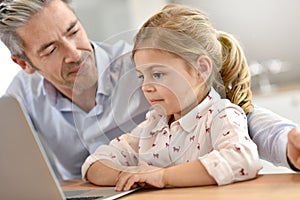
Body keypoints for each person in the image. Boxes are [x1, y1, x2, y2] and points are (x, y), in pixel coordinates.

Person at [0, 0, 299, 180]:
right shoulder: (20, 97)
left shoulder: (145, 63)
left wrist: (286, 141)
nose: (74, 53)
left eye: (73, 31)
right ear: (23, 63)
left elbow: (227, 112)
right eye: (51, 49)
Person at [82, 4, 263, 191]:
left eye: (158, 74)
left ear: (201, 69)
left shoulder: (221, 115)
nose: (146, 87)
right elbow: (94, 163)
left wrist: (162, 176)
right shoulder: (153, 126)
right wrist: (128, 175)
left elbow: (243, 159)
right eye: (142, 76)